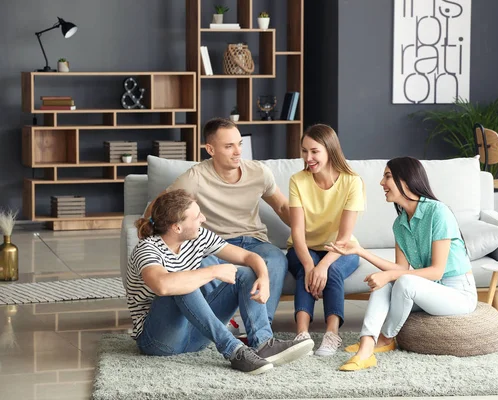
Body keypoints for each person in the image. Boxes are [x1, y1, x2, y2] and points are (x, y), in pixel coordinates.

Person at [127, 189, 313, 375]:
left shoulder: (199, 236)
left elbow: (249, 256)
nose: (203, 219)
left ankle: (263, 343)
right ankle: (234, 350)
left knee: (245, 274)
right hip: (158, 341)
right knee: (182, 284)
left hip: (195, 336)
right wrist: (213, 271)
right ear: (177, 227)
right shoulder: (147, 249)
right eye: (197, 216)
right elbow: (162, 285)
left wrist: (264, 278)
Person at [325, 156, 478, 371]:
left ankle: (386, 338)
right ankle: (367, 346)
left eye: (387, 176)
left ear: (405, 180)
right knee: (385, 285)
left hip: (459, 293)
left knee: (403, 282)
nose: (381, 183)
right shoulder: (400, 224)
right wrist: (360, 251)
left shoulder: (438, 212)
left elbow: (437, 271)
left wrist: (390, 275)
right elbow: (401, 269)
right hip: (431, 291)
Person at [147, 117, 289, 323]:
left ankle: (261, 332)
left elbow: (283, 207)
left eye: (239, 144)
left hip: (254, 242)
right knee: (201, 264)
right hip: (215, 246)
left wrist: (311, 234)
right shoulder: (195, 177)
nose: (238, 151)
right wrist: (156, 236)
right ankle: (218, 326)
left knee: (276, 259)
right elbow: (158, 208)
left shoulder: (259, 173)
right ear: (210, 149)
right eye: (229, 146)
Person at [287, 124, 365, 356]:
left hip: (341, 249)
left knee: (331, 272)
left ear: (330, 150)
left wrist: (322, 265)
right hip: (303, 247)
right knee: (305, 269)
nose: (308, 157)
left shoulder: (352, 182)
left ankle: (332, 334)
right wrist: (312, 266)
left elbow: (343, 238)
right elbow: (298, 233)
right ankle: (302, 335)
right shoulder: (297, 181)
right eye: (304, 151)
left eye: (314, 151)